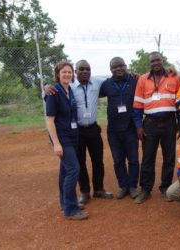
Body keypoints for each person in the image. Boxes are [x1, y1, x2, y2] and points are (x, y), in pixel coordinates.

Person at [45, 60, 114, 206]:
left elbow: (114, 78)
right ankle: (84, 192)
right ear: (76, 72)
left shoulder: (97, 82)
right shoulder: (68, 86)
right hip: (77, 131)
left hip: (94, 129)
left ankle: (99, 189)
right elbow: (50, 94)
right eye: (81, 69)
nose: (85, 72)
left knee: (98, 160)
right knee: (79, 162)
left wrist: (133, 75)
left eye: (88, 69)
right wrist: (45, 88)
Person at [133, 51, 180, 204]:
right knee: (147, 157)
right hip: (150, 123)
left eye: (158, 60)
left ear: (162, 60)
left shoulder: (174, 77)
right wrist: (139, 126)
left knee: (169, 157)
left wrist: (179, 122)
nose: (155, 63)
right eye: (152, 61)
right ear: (150, 63)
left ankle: (165, 187)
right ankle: (145, 189)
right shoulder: (142, 79)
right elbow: (138, 105)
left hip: (169, 122)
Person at [45, 61, 88, 220]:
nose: (67, 75)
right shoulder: (53, 92)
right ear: (58, 74)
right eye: (64, 72)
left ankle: (65, 202)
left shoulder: (69, 90)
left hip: (73, 134)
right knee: (73, 170)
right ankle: (71, 209)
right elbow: (49, 120)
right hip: (62, 137)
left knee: (65, 170)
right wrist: (56, 143)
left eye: (69, 72)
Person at [99, 57, 139, 199]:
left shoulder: (135, 81)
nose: (118, 69)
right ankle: (123, 186)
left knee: (133, 159)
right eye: (114, 67)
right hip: (113, 130)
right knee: (118, 160)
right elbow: (90, 90)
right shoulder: (106, 84)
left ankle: (133, 186)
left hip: (131, 128)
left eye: (120, 65)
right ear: (110, 70)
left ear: (125, 66)